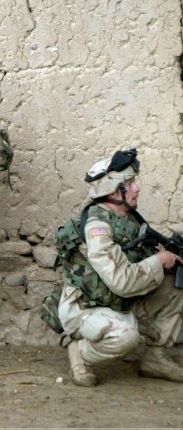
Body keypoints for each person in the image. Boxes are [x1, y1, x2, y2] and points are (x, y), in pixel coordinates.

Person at [56, 148, 183, 386]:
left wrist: (169, 260)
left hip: (117, 302)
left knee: (178, 284)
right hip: (87, 307)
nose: (137, 188)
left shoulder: (128, 218)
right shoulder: (97, 227)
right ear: (114, 190)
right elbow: (122, 282)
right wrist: (159, 261)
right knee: (126, 338)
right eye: (131, 183)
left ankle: (155, 359)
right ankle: (80, 352)